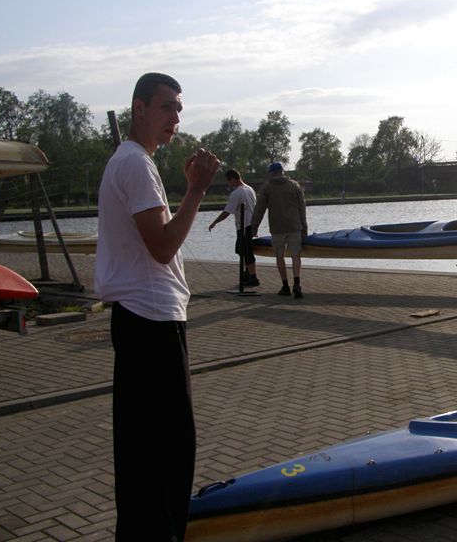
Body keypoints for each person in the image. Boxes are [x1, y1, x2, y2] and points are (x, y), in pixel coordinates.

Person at [94, 72, 220, 541]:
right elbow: (163, 247)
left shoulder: (130, 162)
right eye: (167, 106)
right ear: (139, 108)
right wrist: (197, 190)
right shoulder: (134, 164)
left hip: (144, 320)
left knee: (145, 457)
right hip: (149, 322)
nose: (176, 117)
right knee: (166, 456)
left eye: (179, 109)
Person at [251, 162, 307, 299]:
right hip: (294, 226)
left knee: (280, 257)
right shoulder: (294, 185)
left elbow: (259, 209)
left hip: (277, 228)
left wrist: (254, 227)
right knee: (296, 256)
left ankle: (285, 286)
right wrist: (304, 225)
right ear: (282, 171)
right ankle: (297, 284)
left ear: (271, 172)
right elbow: (302, 206)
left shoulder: (266, 188)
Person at [208, 168, 259, 287]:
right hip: (251, 224)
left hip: (244, 225)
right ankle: (248, 274)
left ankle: (253, 277)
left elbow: (227, 212)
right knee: (243, 251)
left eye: (228, 181)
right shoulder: (250, 189)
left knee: (246, 251)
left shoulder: (237, 193)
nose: (228, 184)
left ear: (233, 179)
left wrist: (215, 222)